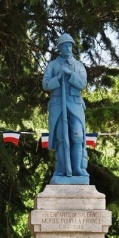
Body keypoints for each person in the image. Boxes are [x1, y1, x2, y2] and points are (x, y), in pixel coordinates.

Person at [43, 34, 88, 181]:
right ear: (60, 48)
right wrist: (58, 78)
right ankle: (62, 169)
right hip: (58, 105)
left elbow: (82, 84)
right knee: (61, 137)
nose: (68, 48)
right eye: (65, 45)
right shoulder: (52, 65)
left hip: (75, 104)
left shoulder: (78, 65)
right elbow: (46, 84)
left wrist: (70, 74)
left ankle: (77, 168)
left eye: (70, 45)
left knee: (77, 136)